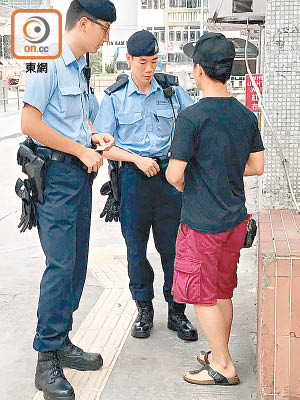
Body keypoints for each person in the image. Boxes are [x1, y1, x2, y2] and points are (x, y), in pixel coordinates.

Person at [21, 1, 116, 399]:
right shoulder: (46, 62)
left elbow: (77, 119)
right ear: (84, 23)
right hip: (57, 177)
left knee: (76, 264)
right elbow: (30, 123)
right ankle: (46, 360)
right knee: (60, 266)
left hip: (78, 176)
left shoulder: (80, 67)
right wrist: (79, 150)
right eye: (104, 28)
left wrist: (92, 136)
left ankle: (61, 340)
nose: (107, 37)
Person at [166, 33, 264, 386]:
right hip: (235, 220)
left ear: (198, 71)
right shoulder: (245, 115)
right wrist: (220, 167)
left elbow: (174, 174)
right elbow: (256, 166)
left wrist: (191, 178)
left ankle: (222, 364)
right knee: (222, 290)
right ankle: (219, 352)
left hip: (202, 223)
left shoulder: (192, 118)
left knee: (200, 295)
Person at [93, 30, 198, 341]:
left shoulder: (171, 91)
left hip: (168, 179)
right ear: (129, 60)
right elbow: (103, 146)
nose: (150, 68)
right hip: (133, 180)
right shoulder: (114, 97)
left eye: (154, 61)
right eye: (143, 62)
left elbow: (192, 123)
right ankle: (144, 310)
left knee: (173, 249)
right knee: (136, 249)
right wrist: (137, 160)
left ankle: (176, 312)